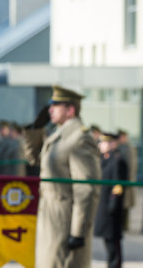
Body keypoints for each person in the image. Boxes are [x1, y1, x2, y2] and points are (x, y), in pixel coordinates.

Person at [22, 85, 102, 268]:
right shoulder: (60, 135)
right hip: (50, 218)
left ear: (70, 109)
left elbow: (86, 190)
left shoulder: (79, 138)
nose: (50, 109)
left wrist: (78, 232)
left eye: (55, 105)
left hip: (64, 223)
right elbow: (34, 159)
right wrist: (36, 128)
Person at [94, 132, 128, 268]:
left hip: (111, 208)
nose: (101, 145)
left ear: (112, 144)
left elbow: (118, 186)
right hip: (103, 206)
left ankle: (115, 265)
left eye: (104, 143)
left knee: (113, 241)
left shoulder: (117, 161)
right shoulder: (103, 159)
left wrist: (112, 205)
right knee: (108, 240)